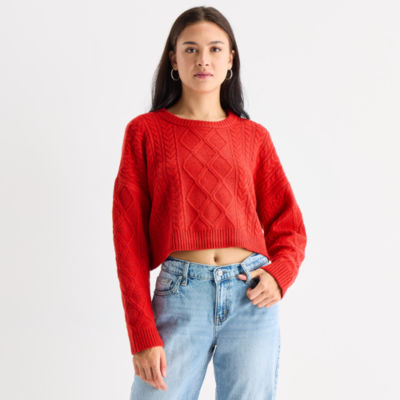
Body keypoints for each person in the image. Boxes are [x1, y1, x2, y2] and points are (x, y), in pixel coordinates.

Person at [112, 6, 307, 400]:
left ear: (230, 59)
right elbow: (127, 239)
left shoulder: (253, 137)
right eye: (191, 49)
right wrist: (141, 334)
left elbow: (289, 225)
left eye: (215, 49)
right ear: (173, 59)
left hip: (251, 294)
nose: (203, 59)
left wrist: (279, 275)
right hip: (181, 294)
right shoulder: (145, 133)